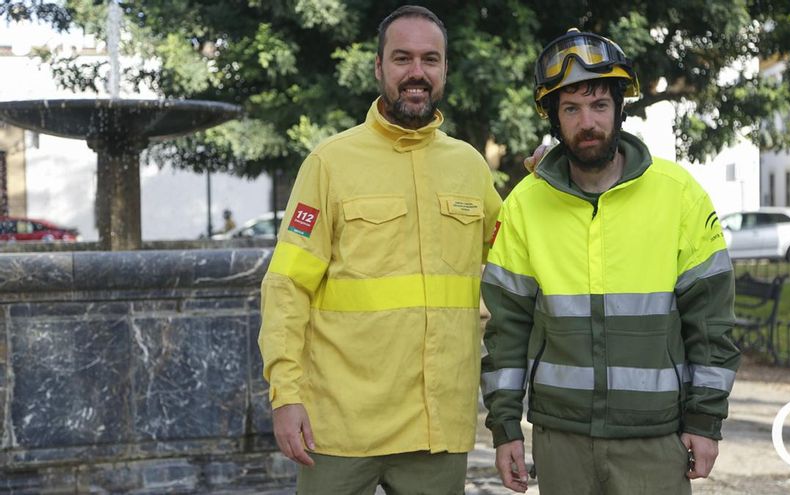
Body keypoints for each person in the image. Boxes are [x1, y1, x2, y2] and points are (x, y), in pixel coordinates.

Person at [480, 28, 740, 494]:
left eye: (599, 105)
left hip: (655, 441)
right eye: (571, 108)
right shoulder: (525, 205)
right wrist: (505, 429)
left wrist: (705, 420)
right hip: (560, 441)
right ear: (554, 119)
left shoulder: (678, 195)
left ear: (621, 109)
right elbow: (506, 329)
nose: (588, 122)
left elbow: (711, 323)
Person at [258, 5, 502, 494]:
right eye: (402, 58)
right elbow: (286, 286)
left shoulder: (470, 167)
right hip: (340, 429)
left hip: (438, 426)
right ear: (379, 68)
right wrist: (286, 396)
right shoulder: (329, 164)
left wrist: (551, 176)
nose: (417, 72)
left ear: (445, 70)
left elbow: (515, 252)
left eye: (430, 59)